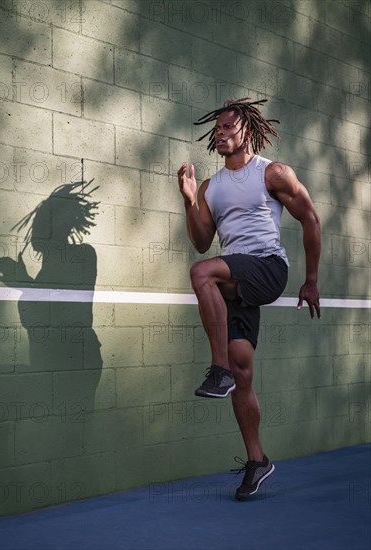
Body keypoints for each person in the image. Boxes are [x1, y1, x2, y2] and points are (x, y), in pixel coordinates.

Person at [177, 98, 321, 500]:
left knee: (200, 273)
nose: (219, 133)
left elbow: (309, 217)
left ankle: (217, 368)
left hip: (267, 267)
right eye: (216, 129)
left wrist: (310, 280)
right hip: (236, 279)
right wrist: (190, 199)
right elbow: (203, 241)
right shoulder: (212, 186)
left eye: (226, 127)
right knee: (244, 373)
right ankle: (257, 461)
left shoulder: (271, 173)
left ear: (246, 131)